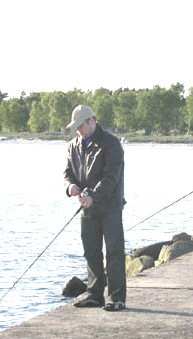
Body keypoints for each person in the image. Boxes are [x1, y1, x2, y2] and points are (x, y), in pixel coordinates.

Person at [64, 105, 126, 311]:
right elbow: (67, 172)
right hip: (87, 208)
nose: (77, 131)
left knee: (114, 253)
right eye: (75, 127)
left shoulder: (111, 143)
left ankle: (116, 298)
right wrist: (70, 186)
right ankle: (94, 294)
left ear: (92, 121)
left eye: (80, 126)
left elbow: (111, 177)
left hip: (110, 207)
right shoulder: (73, 144)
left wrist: (94, 196)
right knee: (91, 252)